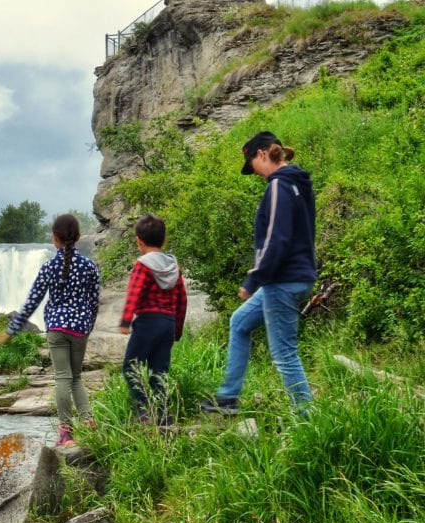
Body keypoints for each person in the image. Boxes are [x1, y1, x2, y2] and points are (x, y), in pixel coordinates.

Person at [200, 131, 317, 416]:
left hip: (283, 279)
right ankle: (228, 397)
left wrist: (255, 278)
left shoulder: (278, 186)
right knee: (240, 321)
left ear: (262, 154)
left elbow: (277, 238)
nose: (254, 173)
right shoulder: (298, 183)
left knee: (284, 353)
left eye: (252, 164)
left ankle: (308, 420)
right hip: (295, 275)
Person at [6, 213, 101, 447]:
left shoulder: (49, 266)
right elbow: (94, 301)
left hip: (56, 328)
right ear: (78, 237)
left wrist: (13, 328)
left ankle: (66, 433)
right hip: (80, 329)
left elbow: (33, 301)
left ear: (54, 238)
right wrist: (87, 326)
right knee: (76, 377)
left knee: (62, 378)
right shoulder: (90, 266)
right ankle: (89, 424)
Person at [119, 213, 187, 426]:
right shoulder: (173, 267)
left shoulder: (143, 265)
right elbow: (182, 300)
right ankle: (163, 416)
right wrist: (177, 329)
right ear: (164, 240)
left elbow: (134, 292)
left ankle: (143, 410)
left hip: (147, 322)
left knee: (130, 367)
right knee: (159, 371)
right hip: (167, 323)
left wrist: (125, 321)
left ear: (139, 240)